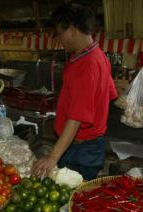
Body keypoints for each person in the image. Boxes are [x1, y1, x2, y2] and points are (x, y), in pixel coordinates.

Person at [31, 2, 118, 181]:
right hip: (86, 145)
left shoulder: (86, 65)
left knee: (73, 198)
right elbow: (109, 94)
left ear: (71, 29)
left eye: (60, 33)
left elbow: (77, 117)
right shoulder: (96, 55)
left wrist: (53, 157)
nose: (59, 39)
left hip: (81, 150)